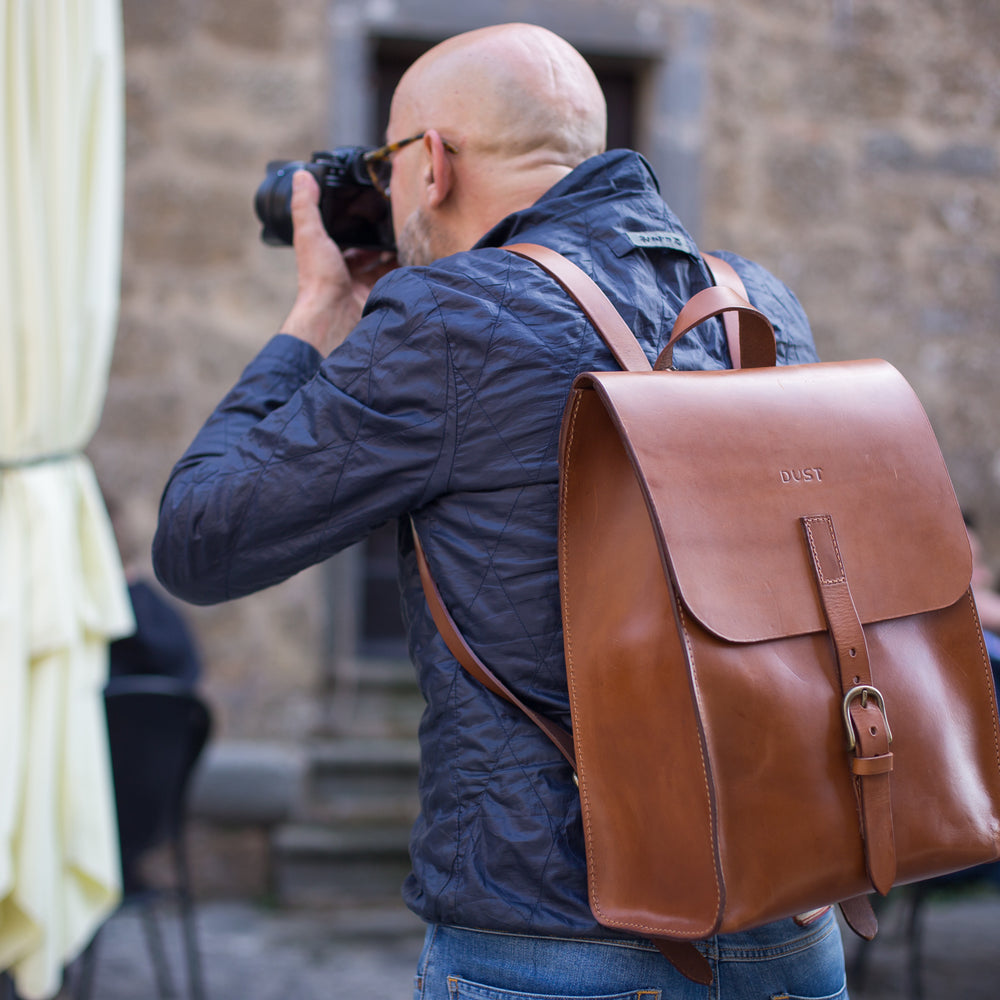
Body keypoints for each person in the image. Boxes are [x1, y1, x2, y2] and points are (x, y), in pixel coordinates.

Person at [153, 23, 848, 998]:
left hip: (554, 944)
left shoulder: (448, 317)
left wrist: (315, 316)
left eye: (389, 164)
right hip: (788, 927)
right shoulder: (750, 297)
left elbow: (200, 536)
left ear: (429, 163)